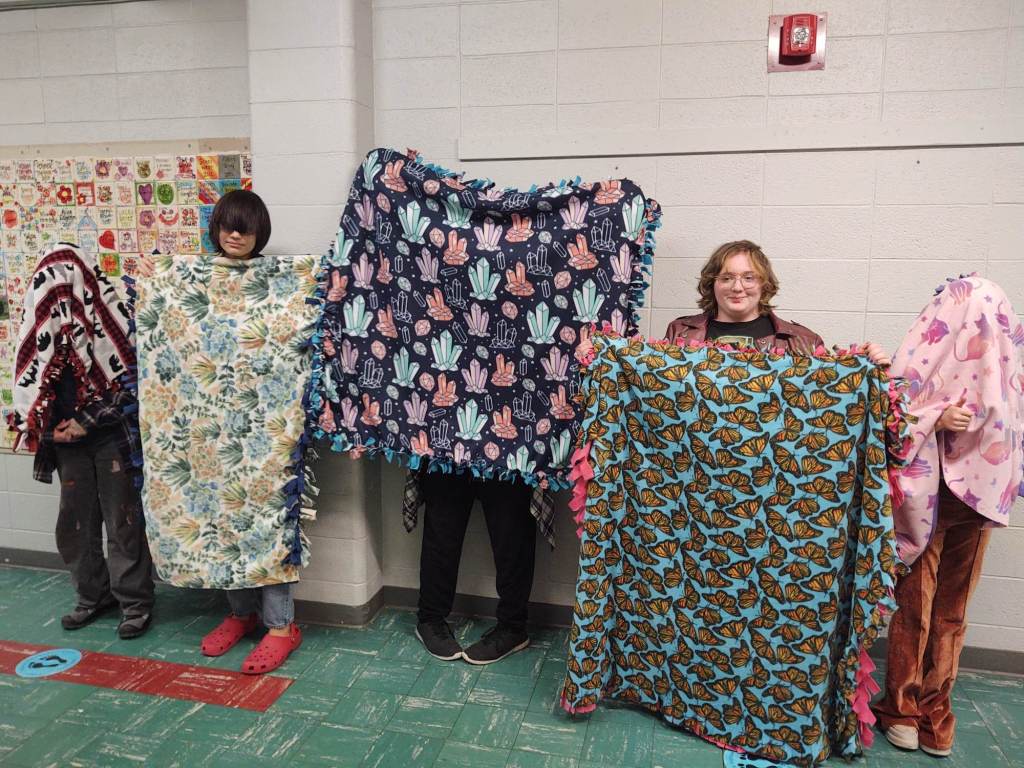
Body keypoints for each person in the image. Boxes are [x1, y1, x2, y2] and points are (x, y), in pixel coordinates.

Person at [873, 274, 1023, 758]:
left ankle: (933, 711)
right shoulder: (928, 347)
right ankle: (903, 708)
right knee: (916, 605)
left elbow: (1012, 418)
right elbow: (892, 407)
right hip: (929, 493)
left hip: (976, 498)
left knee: (950, 609)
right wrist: (935, 416)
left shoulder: (1005, 358)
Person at [173, 190, 304, 673]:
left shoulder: (279, 282)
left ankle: (281, 626)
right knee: (222, 516)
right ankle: (240, 614)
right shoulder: (194, 279)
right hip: (212, 425)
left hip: (267, 427)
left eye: (245, 227)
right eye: (228, 225)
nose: (235, 234)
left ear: (259, 233)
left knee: (269, 520)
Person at [12, 244, 154, 639]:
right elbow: (33, 394)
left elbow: (129, 384)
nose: (61, 298)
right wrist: (50, 431)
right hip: (67, 446)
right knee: (75, 524)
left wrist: (84, 422)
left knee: (123, 521)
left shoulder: (111, 321)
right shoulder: (40, 335)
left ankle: (135, 603)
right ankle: (92, 596)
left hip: (111, 439)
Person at [664, 240, 889, 365]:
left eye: (749, 278)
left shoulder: (801, 341)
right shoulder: (680, 333)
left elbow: (830, 393)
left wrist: (866, 364)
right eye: (726, 278)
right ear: (712, 283)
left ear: (764, 284)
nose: (737, 287)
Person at [409, 471, 538, 664]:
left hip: (510, 457)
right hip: (449, 454)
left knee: (511, 524)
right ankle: (430, 619)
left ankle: (513, 627)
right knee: (442, 523)